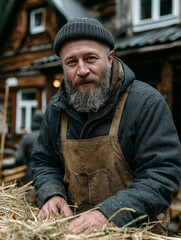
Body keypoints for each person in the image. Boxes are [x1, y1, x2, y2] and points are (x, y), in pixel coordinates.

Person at [32, 17, 181, 235]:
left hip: (136, 232)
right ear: (62, 65)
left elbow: (162, 173)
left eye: (91, 58)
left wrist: (108, 213)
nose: (82, 70)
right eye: (72, 62)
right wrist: (51, 193)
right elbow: (45, 161)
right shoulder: (56, 109)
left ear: (110, 58)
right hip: (73, 232)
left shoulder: (145, 103)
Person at [14, 110, 44, 183]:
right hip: (50, 177)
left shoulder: (26, 138)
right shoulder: (49, 137)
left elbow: (18, 158)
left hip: (31, 175)